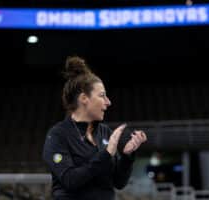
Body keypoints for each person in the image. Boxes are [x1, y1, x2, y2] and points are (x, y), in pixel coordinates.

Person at [42, 55, 147, 200]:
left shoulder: (104, 132)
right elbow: (70, 180)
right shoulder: (57, 135)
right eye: (102, 96)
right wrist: (106, 154)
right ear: (84, 98)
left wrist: (127, 157)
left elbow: (118, 182)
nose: (108, 102)